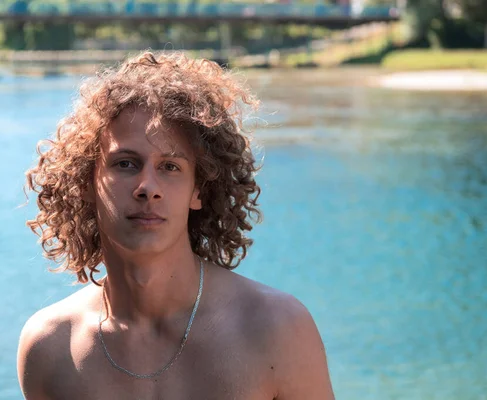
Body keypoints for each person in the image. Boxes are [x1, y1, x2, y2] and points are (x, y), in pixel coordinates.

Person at [18, 51, 335, 399]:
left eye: (170, 167)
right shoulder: (50, 348)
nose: (147, 187)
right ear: (86, 183)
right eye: (125, 163)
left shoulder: (277, 329)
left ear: (197, 189)